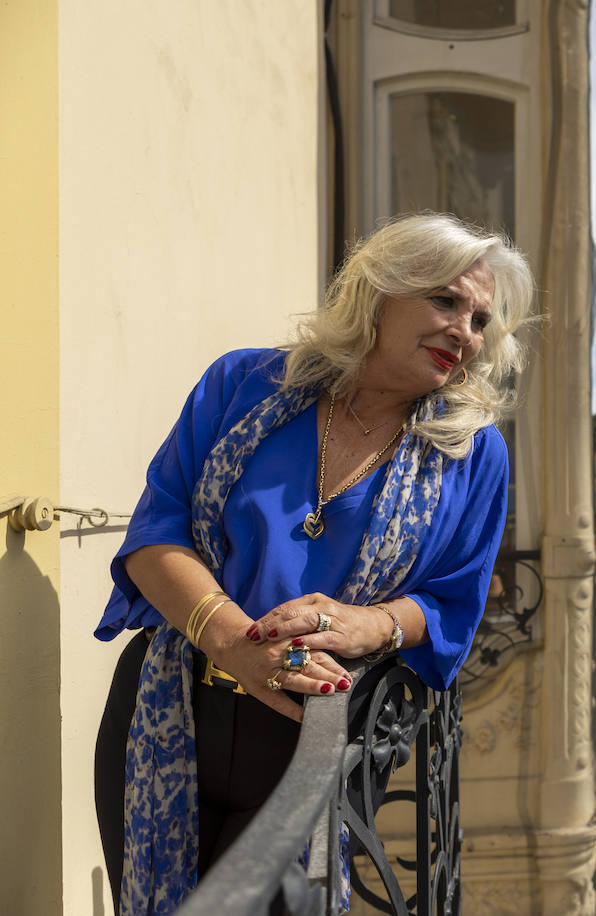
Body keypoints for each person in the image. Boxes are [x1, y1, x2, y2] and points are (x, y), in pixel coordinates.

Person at [92, 212, 533, 913]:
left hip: (313, 737)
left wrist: (369, 626)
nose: (466, 332)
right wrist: (236, 643)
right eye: (446, 301)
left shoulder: (472, 453)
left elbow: (452, 602)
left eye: (481, 320)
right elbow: (154, 535)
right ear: (382, 290)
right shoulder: (243, 383)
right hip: (165, 708)